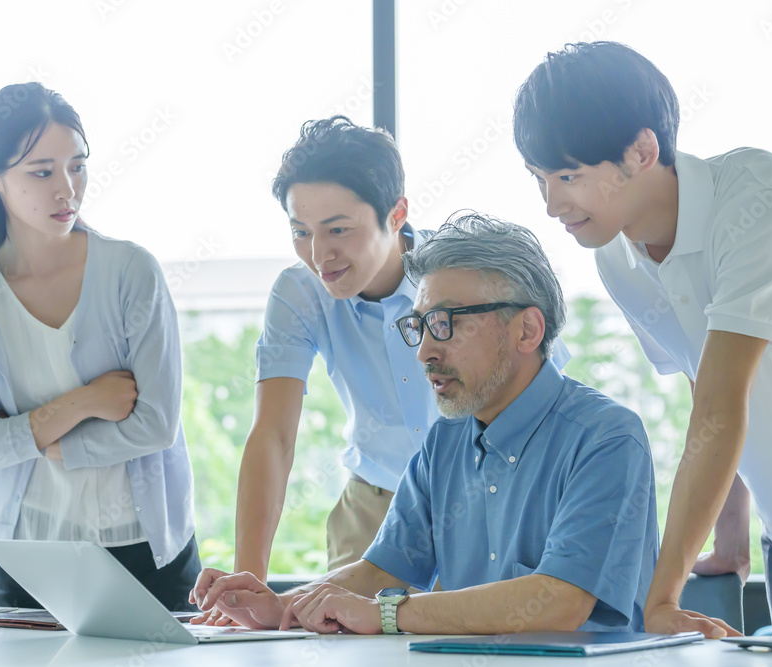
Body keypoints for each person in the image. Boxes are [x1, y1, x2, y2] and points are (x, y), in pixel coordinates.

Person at [513, 41, 772, 639]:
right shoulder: (616, 256)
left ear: (641, 151)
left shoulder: (762, 203)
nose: (552, 203)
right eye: (539, 179)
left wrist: (662, 598)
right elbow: (703, 384)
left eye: (569, 176)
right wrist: (732, 536)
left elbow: (721, 402)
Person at [190, 213, 657, 635]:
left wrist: (388, 613)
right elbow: (380, 572)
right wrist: (282, 607)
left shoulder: (607, 438)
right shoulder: (445, 440)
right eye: (419, 326)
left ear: (527, 330)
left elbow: (560, 602)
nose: (424, 352)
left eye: (445, 324)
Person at [235, 115, 572, 580]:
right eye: (300, 232)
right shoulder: (299, 292)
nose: (318, 255)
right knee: (345, 641)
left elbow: (545, 393)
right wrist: (247, 580)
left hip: (481, 495)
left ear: (396, 215)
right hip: (372, 509)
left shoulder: (460, 276)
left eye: (337, 230)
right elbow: (272, 437)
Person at [0, 82, 200, 610]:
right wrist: (83, 403)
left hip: (149, 555)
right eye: (41, 171)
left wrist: (57, 445)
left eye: (77, 166)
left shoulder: (130, 271)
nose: (66, 189)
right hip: (29, 561)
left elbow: (156, 424)